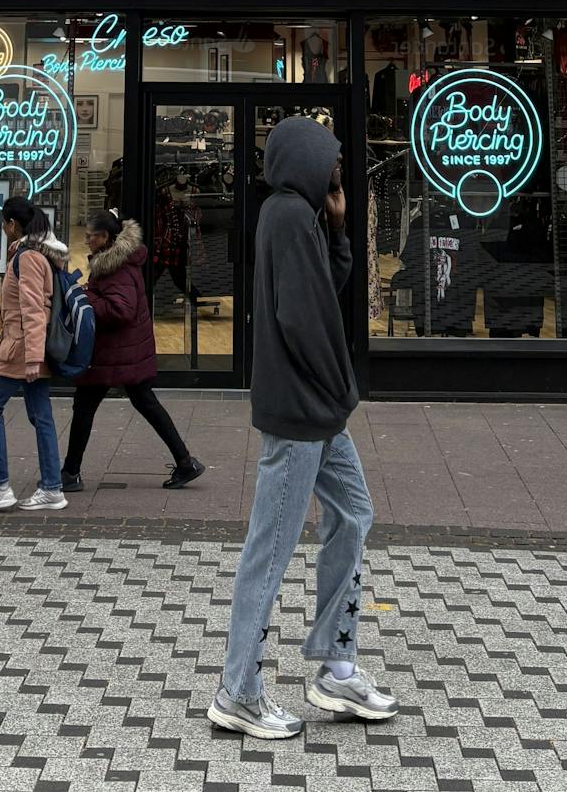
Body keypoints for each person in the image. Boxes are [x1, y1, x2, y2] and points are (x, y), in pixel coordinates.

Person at [208, 116, 397, 741]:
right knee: (269, 549)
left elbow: (321, 291)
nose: (338, 167)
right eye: (331, 157)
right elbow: (301, 320)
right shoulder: (287, 215)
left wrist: (338, 232)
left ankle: (336, 667)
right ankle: (238, 692)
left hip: (316, 411)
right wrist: (342, 386)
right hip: (302, 411)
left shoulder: (299, 216)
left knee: (354, 513)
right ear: (306, 160)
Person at [61, 210, 205, 492]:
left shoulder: (117, 267)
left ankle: (70, 473)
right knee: (142, 402)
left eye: (91, 236)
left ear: (106, 237)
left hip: (116, 352)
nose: (87, 240)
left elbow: (121, 310)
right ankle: (185, 462)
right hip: (124, 350)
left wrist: (85, 296)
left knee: (86, 405)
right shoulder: (116, 260)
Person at [0, 196, 68, 513]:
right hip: (28, 347)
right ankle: (51, 488)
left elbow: (34, 310)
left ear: (12, 225)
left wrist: (33, 358)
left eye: (3, 223)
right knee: (41, 416)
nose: (2, 229)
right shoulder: (35, 255)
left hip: (20, 348)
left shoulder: (28, 258)